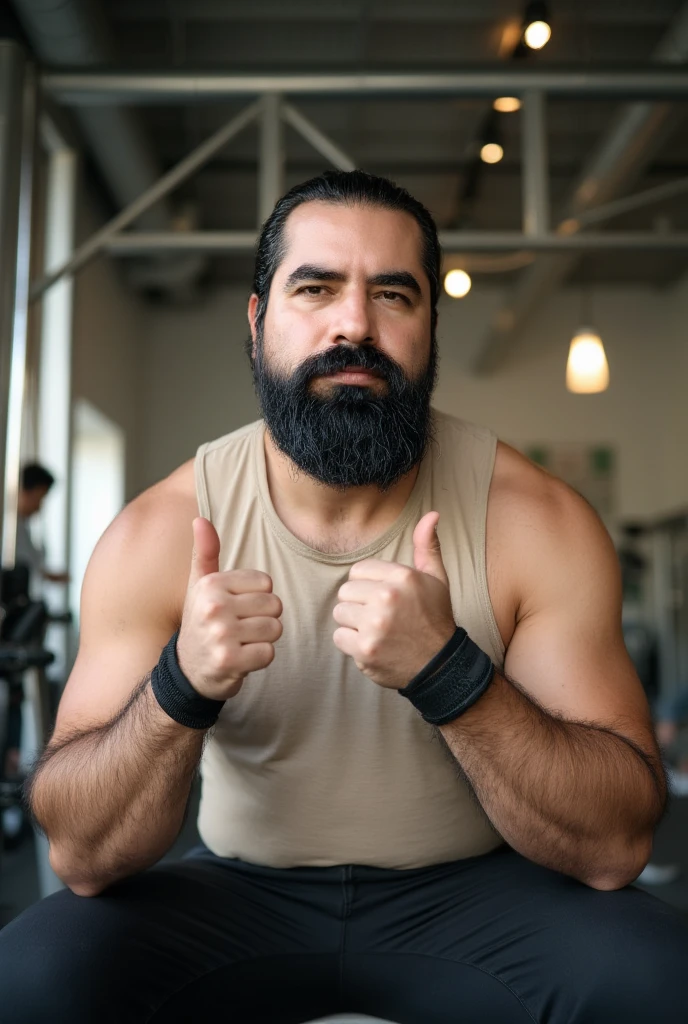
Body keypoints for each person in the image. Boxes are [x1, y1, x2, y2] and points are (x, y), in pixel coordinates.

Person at [0, 170, 687, 1023]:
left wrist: (451, 677)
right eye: (315, 288)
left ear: (431, 325)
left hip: (476, 898)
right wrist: (180, 687)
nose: (354, 324)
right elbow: (82, 854)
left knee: (659, 977)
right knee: (28, 978)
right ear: (257, 324)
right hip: (236, 896)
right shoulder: (160, 531)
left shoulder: (535, 520)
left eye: (393, 294)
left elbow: (616, 844)